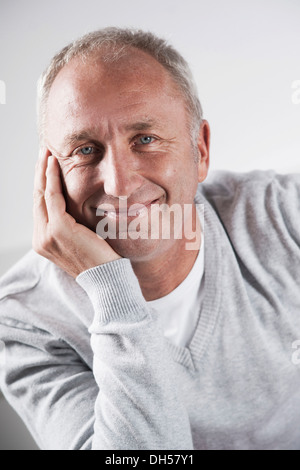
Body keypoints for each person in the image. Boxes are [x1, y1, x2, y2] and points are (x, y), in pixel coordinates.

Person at [0, 27, 300, 451]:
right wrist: (109, 288)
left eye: (145, 139)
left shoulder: (283, 217)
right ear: (49, 173)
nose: (119, 184)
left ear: (200, 151)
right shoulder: (23, 322)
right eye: (85, 150)